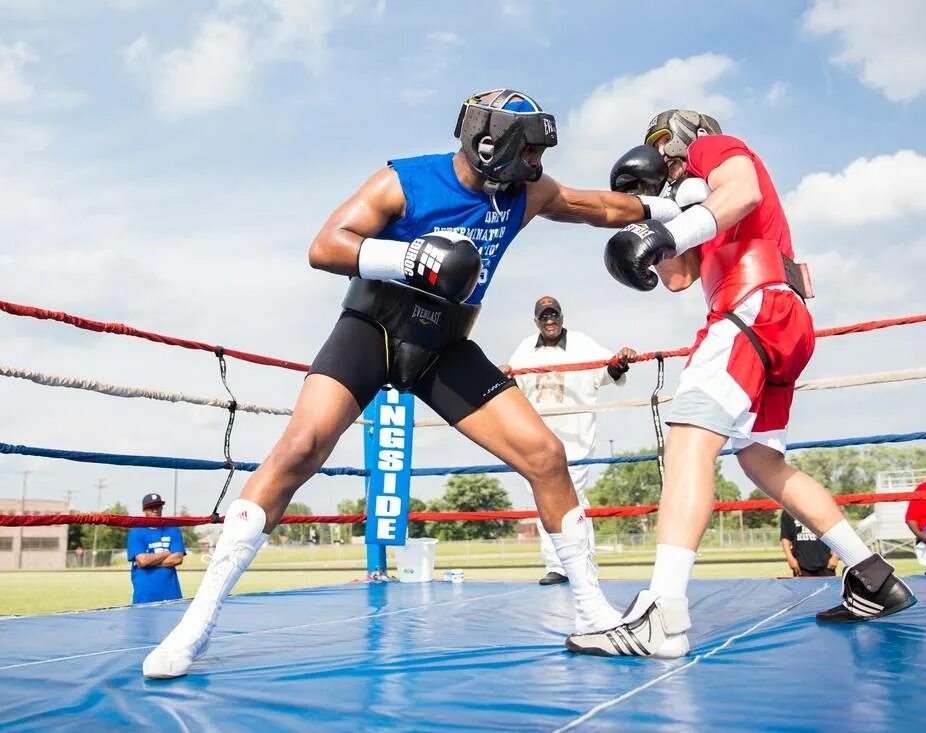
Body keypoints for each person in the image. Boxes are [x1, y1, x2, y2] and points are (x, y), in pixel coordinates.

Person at [143, 88, 682, 678]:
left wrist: (676, 209)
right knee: (298, 449)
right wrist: (411, 259)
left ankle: (592, 613)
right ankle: (196, 623)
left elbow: (597, 207)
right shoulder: (403, 180)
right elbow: (325, 247)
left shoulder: (528, 194)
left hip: (443, 346)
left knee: (546, 456)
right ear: (491, 144)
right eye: (529, 150)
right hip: (373, 327)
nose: (538, 163)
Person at [566, 109, 918, 659]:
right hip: (779, 320)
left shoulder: (718, 148)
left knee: (688, 441)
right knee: (759, 461)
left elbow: (745, 191)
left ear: (690, 136)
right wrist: (648, 222)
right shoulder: (697, 207)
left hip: (753, 308)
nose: (663, 157)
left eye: (665, 144)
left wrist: (671, 222)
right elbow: (680, 278)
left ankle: (663, 611)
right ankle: (872, 574)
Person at [502, 295, 636, 585]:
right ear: (536, 321)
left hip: (575, 439)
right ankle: (557, 566)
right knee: (543, 499)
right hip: (537, 439)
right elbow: (513, 388)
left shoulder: (583, 344)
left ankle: (583, 564)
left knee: (574, 499)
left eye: (554, 316)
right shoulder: (525, 349)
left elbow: (608, 371)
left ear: (562, 317)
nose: (550, 321)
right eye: (544, 317)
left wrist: (622, 360)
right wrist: (504, 376)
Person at [126, 493, 186, 604]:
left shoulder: (173, 529)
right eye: (151, 507)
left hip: (172, 595)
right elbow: (142, 561)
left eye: (158, 506)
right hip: (145, 596)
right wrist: (166, 553)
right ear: (145, 510)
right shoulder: (136, 532)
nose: (155, 510)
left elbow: (177, 559)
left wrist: (149, 562)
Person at [780, 509, 838, 577]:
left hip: (826, 564)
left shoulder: (824, 507)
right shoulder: (788, 510)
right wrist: (790, 559)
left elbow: (836, 533)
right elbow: (785, 537)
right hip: (801, 566)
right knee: (803, 588)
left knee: (828, 588)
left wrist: (835, 556)